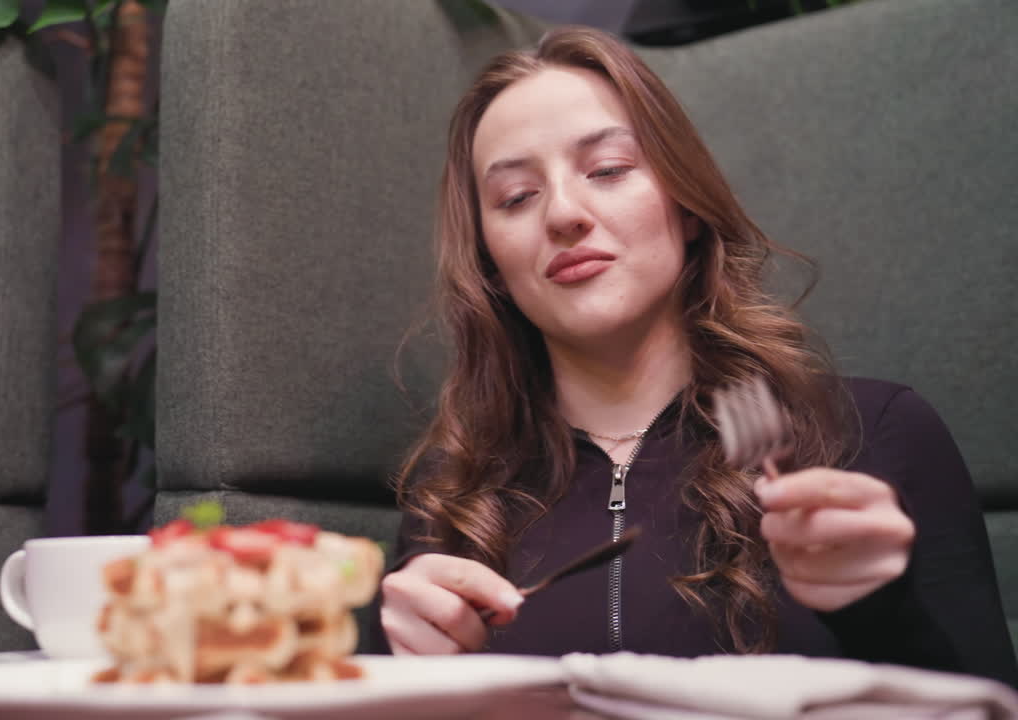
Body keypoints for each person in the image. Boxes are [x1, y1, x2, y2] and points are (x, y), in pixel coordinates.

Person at [375, 26, 1018, 687]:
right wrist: (396, 671)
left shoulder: (873, 431)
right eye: (516, 197)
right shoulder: (453, 494)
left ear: (685, 204)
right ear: (490, 262)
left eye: (608, 170)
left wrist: (884, 610)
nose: (563, 213)